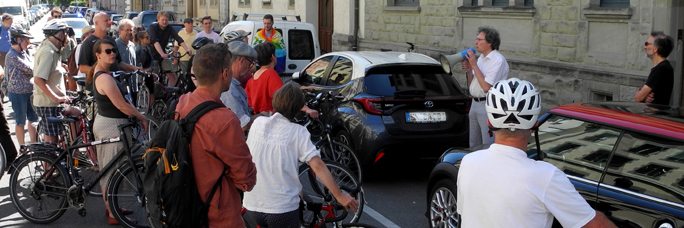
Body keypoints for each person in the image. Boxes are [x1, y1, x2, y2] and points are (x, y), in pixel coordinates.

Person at [456, 78, 617, 228]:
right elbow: (596, 224)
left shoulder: (468, 162)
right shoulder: (546, 176)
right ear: (535, 125)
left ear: (489, 122)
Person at [243, 82, 358, 228]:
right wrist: (340, 196)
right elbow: (317, 165)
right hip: (281, 210)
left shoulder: (258, 122)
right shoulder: (298, 131)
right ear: (298, 109)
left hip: (252, 205)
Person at [175, 43, 257, 227]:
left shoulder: (183, 102)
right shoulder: (225, 120)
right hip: (218, 213)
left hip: (186, 204)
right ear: (225, 74)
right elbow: (247, 179)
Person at [87, 39, 147, 225]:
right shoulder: (104, 77)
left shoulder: (106, 73)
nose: (112, 53)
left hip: (111, 123)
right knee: (111, 171)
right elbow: (121, 105)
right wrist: (141, 117)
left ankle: (112, 207)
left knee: (111, 169)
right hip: (110, 126)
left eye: (113, 50)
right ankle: (113, 213)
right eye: (108, 51)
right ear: (98, 55)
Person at [33, 19, 80, 144]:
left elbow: (51, 73)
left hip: (55, 102)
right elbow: (38, 79)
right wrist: (57, 98)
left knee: (78, 115)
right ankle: (52, 163)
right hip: (49, 104)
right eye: (66, 33)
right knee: (51, 143)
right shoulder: (49, 52)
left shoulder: (52, 49)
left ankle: (72, 153)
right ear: (60, 35)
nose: (68, 36)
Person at [462, 26, 508, 149]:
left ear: (490, 43)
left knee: (487, 144)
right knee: (474, 144)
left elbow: (486, 87)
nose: (476, 43)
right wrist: (469, 69)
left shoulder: (498, 60)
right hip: (475, 104)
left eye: (479, 40)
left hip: (487, 105)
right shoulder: (481, 59)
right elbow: (473, 83)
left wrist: (474, 66)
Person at [245, 42, 318, 117]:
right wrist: (306, 109)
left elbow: (248, 101)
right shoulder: (270, 74)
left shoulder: (253, 77)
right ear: (272, 57)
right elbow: (285, 97)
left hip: (258, 119)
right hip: (272, 118)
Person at [79, 12, 140, 91]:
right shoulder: (88, 42)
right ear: (96, 23)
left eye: (109, 20)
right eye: (106, 21)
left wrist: (135, 68)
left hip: (115, 84)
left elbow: (118, 62)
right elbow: (82, 67)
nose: (109, 23)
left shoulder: (111, 40)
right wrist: (104, 73)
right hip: (97, 88)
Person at [220, 41, 265, 131]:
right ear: (241, 60)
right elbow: (242, 124)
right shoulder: (229, 88)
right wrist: (262, 116)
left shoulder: (232, 85)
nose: (250, 67)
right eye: (250, 63)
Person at [6, 29, 37, 145]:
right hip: (17, 93)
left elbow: (33, 67)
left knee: (33, 119)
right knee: (20, 121)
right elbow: (31, 69)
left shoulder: (24, 53)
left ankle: (34, 145)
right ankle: (22, 147)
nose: (28, 43)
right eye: (26, 40)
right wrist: (30, 71)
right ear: (18, 40)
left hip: (30, 91)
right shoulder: (12, 55)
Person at [148, 11, 192, 87]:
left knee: (171, 75)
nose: (165, 22)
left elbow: (178, 38)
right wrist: (162, 53)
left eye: (166, 20)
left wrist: (187, 49)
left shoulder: (169, 28)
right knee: (154, 76)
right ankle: (154, 94)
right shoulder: (153, 27)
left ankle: (172, 94)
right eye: (162, 20)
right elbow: (155, 41)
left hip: (163, 54)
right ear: (158, 20)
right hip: (152, 54)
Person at [635, 31, 675, 106]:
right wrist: (644, 94)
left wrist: (638, 92)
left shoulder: (661, 68)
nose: (645, 47)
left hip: (655, 115)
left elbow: (638, 98)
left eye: (647, 44)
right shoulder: (664, 67)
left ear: (655, 49)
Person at [133, 31, 156, 107]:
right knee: (144, 90)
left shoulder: (148, 48)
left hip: (148, 72)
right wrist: (143, 70)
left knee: (151, 90)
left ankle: (151, 108)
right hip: (142, 73)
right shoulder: (138, 49)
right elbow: (137, 63)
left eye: (149, 37)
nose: (149, 38)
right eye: (147, 37)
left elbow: (151, 60)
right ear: (141, 39)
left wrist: (150, 68)